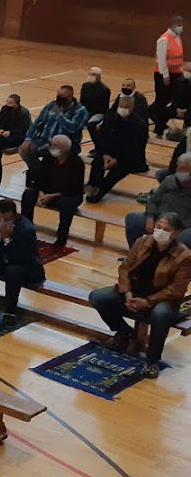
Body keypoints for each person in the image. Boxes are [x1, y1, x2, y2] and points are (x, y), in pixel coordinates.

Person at [92, 213, 191, 378]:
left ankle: (152, 360)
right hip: (135, 291)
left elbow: (176, 290)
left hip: (163, 300)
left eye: (166, 229)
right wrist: (127, 293)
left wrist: (148, 301)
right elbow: (125, 268)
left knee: (161, 314)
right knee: (98, 297)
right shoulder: (141, 242)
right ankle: (124, 332)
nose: (160, 231)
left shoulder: (185, 256)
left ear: (176, 233)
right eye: (158, 227)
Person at [22, 134, 84, 248]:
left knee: (67, 205)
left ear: (64, 149)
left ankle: (61, 238)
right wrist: (41, 193)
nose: (51, 147)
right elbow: (41, 177)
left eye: (54, 145)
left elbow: (74, 188)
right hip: (48, 191)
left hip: (68, 195)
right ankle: (27, 229)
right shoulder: (48, 158)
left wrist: (51, 196)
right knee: (28, 194)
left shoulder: (77, 163)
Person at [87, 94, 149, 202]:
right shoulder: (110, 118)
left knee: (115, 173)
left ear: (132, 107)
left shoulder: (140, 124)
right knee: (97, 163)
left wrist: (117, 160)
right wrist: (105, 154)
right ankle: (91, 189)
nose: (123, 109)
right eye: (121, 106)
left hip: (129, 158)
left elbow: (137, 148)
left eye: (126, 107)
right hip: (109, 153)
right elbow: (102, 139)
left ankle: (99, 192)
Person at [124, 154, 191, 251]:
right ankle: (136, 254)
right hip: (159, 219)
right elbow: (153, 200)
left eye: (184, 169)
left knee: (186, 237)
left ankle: (171, 262)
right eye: (179, 167)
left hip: (181, 225)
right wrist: (150, 217)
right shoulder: (169, 180)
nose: (180, 171)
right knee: (133, 218)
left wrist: (177, 228)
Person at [23, 85, 90, 155]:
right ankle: (38, 166)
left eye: (62, 97)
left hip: (66, 145)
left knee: (53, 154)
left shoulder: (80, 110)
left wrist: (60, 115)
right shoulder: (51, 105)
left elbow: (73, 128)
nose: (59, 99)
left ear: (70, 97)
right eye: (58, 96)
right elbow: (38, 122)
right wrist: (28, 138)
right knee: (23, 149)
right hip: (45, 141)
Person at [153, 14, 184, 137]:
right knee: (163, 102)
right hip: (165, 75)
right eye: (179, 25)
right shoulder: (164, 39)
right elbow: (161, 60)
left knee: (170, 100)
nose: (181, 28)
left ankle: (157, 119)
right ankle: (158, 129)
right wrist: (165, 75)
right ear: (172, 25)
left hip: (176, 73)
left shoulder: (177, 37)